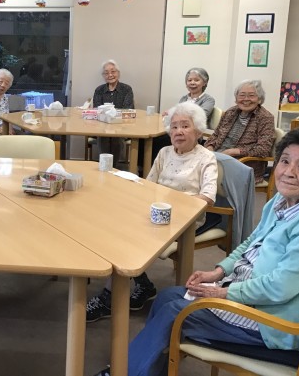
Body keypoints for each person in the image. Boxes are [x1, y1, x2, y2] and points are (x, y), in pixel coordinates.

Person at [94, 126, 299, 376]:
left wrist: (223, 293)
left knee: (175, 313)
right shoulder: (280, 201)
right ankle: (144, 369)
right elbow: (252, 242)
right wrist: (218, 272)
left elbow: (280, 287)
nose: (289, 172)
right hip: (249, 293)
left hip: (273, 322)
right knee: (166, 298)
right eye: (285, 161)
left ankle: (122, 372)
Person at [87, 103, 217, 322]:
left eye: (185, 126)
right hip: (156, 211)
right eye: (174, 127)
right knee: (114, 225)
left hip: (186, 218)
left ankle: (110, 297)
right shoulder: (165, 153)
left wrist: (176, 205)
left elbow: (208, 197)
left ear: (198, 131)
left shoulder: (206, 158)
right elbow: (148, 185)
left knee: (128, 238)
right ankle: (143, 285)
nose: (178, 131)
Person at [204, 79, 275, 183]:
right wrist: (209, 147)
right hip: (219, 157)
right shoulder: (231, 112)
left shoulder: (265, 118)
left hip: (243, 165)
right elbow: (216, 134)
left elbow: (263, 149)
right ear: (236, 98)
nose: (246, 99)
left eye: (251, 95)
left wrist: (233, 152)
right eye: (242, 95)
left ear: (259, 99)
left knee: (201, 175)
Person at [92, 60, 135, 168]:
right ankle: (105, 166)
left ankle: (113, 167)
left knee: (115, 135)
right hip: (102, 127)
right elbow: (97, 109)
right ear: (103, 76)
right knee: (104, 135)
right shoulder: (99, 90)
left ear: (118, 73)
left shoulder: (127, 89)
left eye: (113, 71)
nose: (110, 75)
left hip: (121, 126)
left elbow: (128, 109)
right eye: (106, 73)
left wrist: (113, 116)